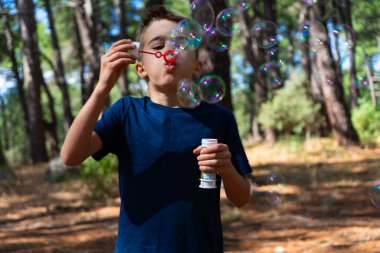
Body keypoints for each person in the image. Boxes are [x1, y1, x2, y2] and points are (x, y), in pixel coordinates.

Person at [61, 5, 251, 253]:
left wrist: (226, 168)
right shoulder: (126, 112)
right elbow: (70, 156)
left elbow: (242, 198)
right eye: (158, 46)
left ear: (197, 67)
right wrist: (101, 88)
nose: (169, 51)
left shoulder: (219, 119)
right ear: (141, 68)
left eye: (180, 44)